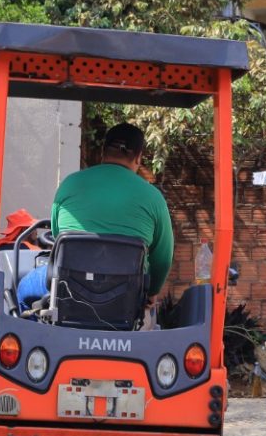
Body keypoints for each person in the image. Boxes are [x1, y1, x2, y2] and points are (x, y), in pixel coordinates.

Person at [45, 123, 173, 302]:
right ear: (138, 157)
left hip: (69, 298)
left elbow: (58, 236)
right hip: (128, 305)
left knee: (24, 285)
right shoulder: (153, 197)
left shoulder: (69, 184)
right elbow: (163, 260)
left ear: (103, 152)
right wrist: (151, 294)